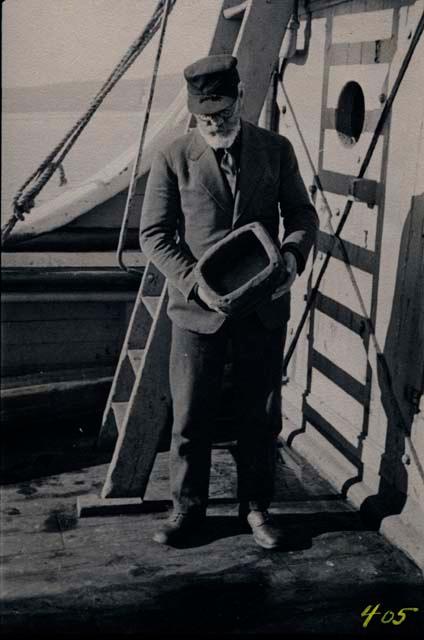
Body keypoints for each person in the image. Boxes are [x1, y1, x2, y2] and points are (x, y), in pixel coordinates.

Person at [140, 54, 319, 548]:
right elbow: (154, 235)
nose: (214, 122)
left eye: (222, 110)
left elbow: (302, 214)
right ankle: (187, 510)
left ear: (241, 97)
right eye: (204, 115)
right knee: (191, 414)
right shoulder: (172, 155)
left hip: (263, 306)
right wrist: (194, 283)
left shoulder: (275, 149)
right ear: (193, 112)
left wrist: (291, 259)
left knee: (258, 414)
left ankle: (258, 509)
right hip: (198, 312)